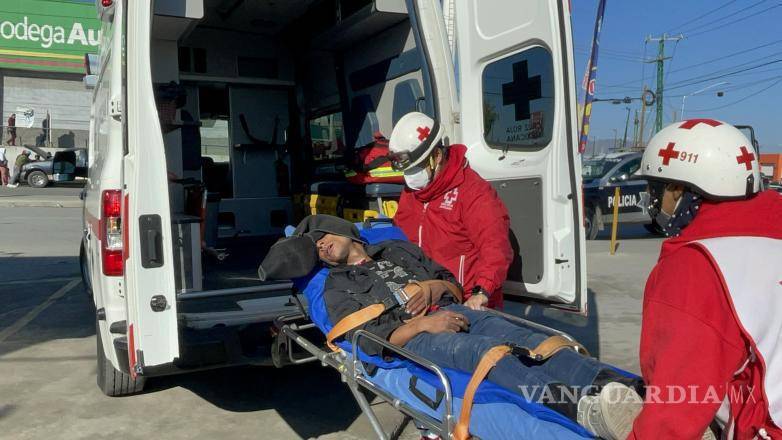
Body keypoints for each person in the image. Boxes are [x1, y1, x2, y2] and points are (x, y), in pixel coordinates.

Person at [261, 214, 645, 440]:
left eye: (324, 238)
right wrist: (425, 323)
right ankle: (582, 409)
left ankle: (615, 386)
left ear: (342, 229)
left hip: (454, 308)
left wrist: (434, 287)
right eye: (317, 249)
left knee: (532, 339)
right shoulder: (334, 285)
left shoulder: (397, 249)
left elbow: (451, 283)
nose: (323, 248)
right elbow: (369, 339)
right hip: (415, 336)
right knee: (486, 355)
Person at [627, 120, 782, 439]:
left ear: (678, 190)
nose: (653, 202)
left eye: (656, 189)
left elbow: (675, 410)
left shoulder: (698, 264)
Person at [389, 112, 513, 310]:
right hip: (423, 299)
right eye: (407, 170)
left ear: (436, 156)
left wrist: (482, 292)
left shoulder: (473, 192)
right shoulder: (412, 193)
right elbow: (400, 237)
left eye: (416, 168)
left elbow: (495, 246)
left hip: (464, 301)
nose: (410, 177)